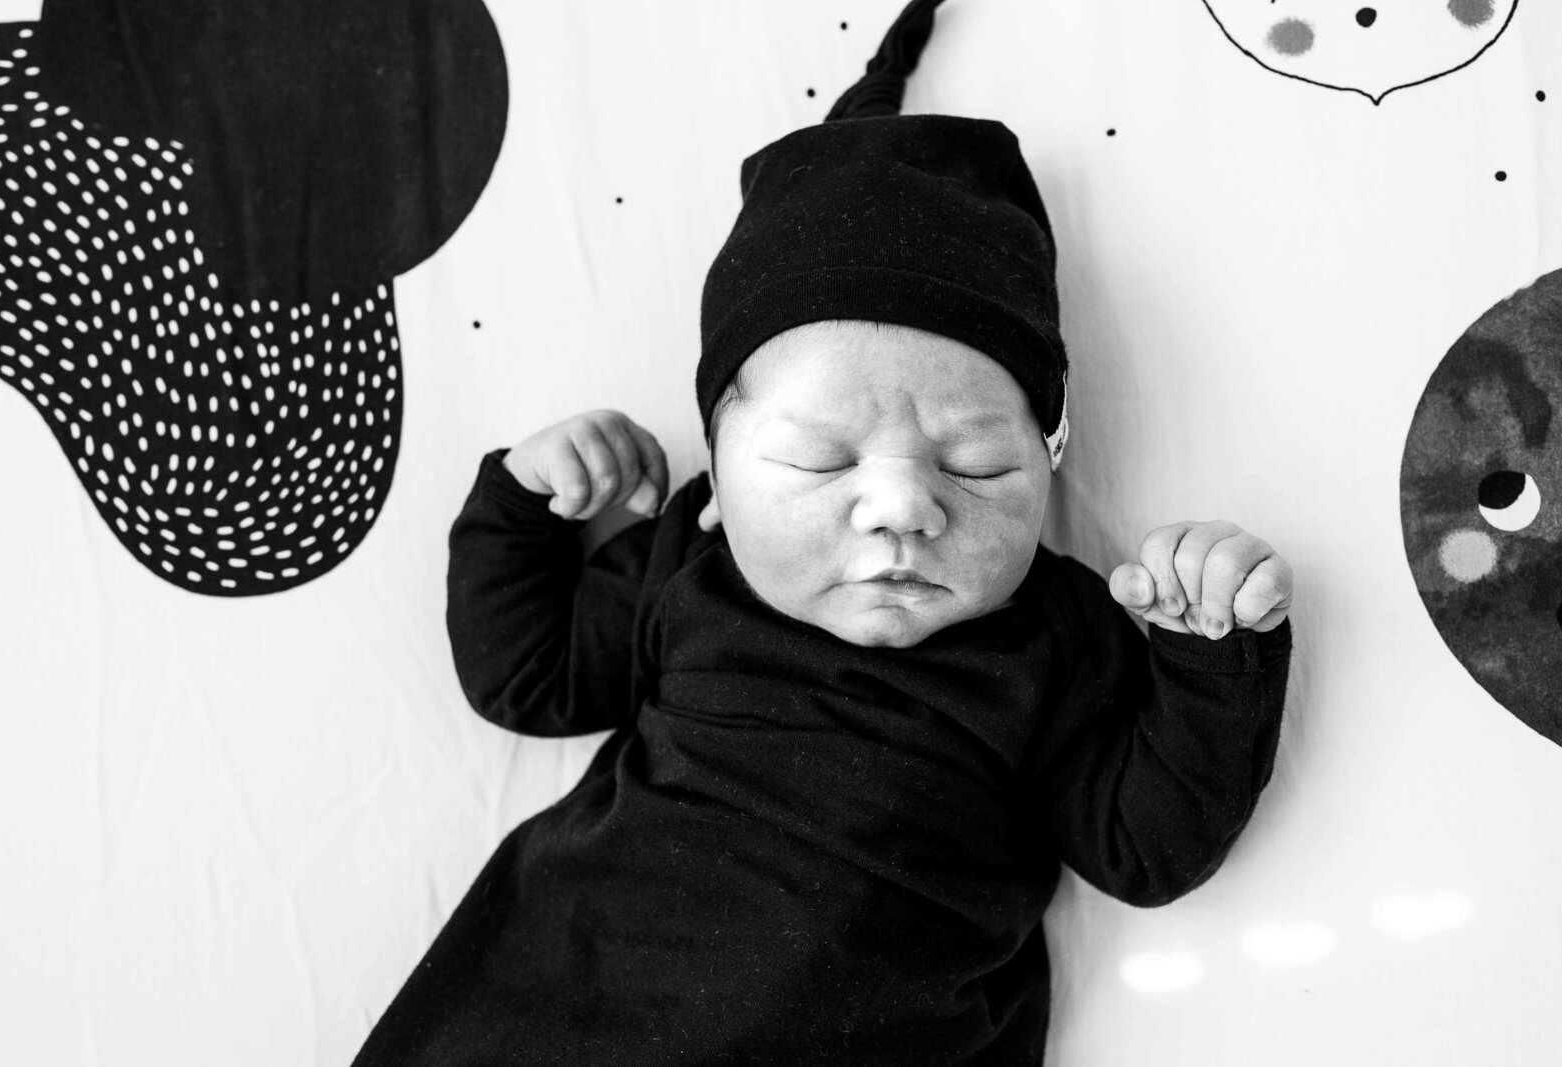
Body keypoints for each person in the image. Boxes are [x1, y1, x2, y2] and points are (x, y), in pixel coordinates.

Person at [351, 1, 1292, 1063]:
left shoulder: (1057, 633)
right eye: (818, 459)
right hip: (563, 1014)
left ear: (1051, 452)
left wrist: (1212, 649)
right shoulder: (689, 562)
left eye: (975, 462)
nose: (900, 506)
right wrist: (525, 503)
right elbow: (523, 677)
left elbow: (1145, 848)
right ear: (717, 461)